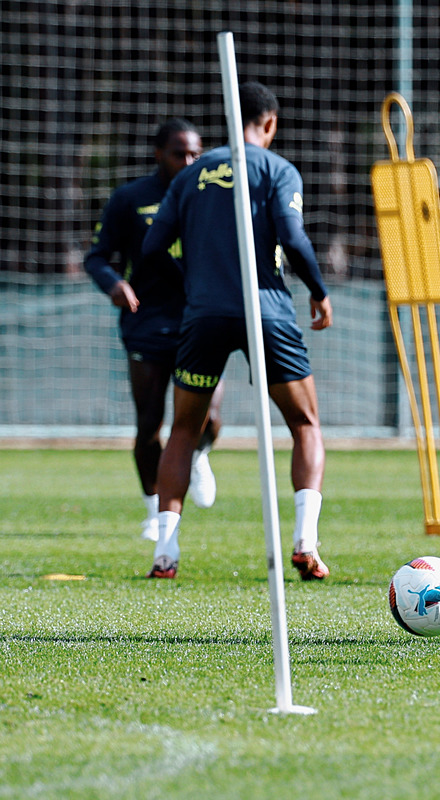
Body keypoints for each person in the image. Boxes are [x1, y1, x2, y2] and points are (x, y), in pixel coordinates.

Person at [141, 81, 333, 581]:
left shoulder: (192, 174)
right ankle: (306, 542)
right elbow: (292, 237)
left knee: (182, 428)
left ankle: (165, 551)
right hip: (266, 311)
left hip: (204, 314)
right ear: (268, 123)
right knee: (305, 424)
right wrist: (318, 289)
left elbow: (154, 245)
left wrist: (195, 281)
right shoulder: (277, 169)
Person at [85, 118, 224, 543]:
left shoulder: (210, 195)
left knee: (211, 419)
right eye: (179, 153)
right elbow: (97, 257)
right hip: (147, 323)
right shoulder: (130, 199)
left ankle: (197, 454)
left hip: (199, 321)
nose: (189, 161)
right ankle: (152, 511)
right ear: (158, 154)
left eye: (195, 153)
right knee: (149, 425)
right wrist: (115, 284)